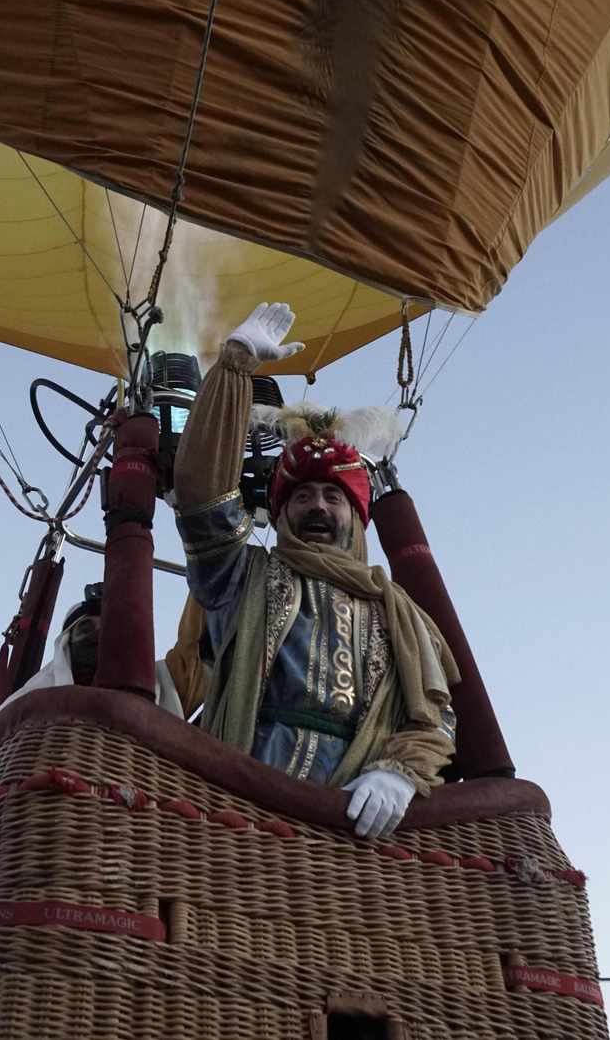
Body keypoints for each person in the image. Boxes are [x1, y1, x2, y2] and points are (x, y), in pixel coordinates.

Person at [170, 302, 459, 838]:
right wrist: (234, 369)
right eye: (302, 495)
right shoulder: (243, 576)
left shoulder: (400, 614)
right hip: (239, 807)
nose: (318, 507)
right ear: (280, 514)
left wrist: (401, 773)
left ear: (358, 515)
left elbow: (437, 720)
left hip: (353, 829)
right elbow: (200, 500)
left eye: (334, 496)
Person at [0, 595, 202, 798]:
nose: (97, 637)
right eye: (85, 630)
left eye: (108, 630)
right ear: (67, 645)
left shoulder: (165, 683)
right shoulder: (36, 698)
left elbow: (202, 646)